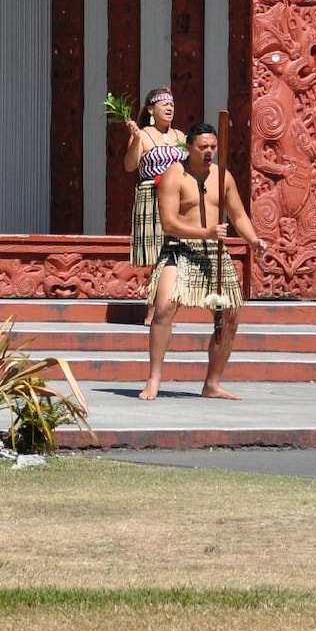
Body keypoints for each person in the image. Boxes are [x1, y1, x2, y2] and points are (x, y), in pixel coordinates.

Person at [139, 122, 269, 401]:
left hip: (214, 252)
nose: (208, 152)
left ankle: (212, 383)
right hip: (179, 247)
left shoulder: (223, 177)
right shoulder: (173, 176)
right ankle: (154, 377)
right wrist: (205, 232)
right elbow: (169, 223)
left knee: (230, 316)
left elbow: (238, 216)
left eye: (212, 147)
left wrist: (253, 240)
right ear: (189, 147)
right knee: (163, 308)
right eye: (202, 147)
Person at [122, 87, 188, 272]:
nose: (170, 108)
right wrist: (135, 139)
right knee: (158, 251)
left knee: (179, 250)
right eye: (165, 104)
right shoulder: (143, 135)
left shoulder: (180, 136)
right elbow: (129, 166)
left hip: (178, 198)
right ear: (151, 109)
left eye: (172, 104)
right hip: (153, 197)